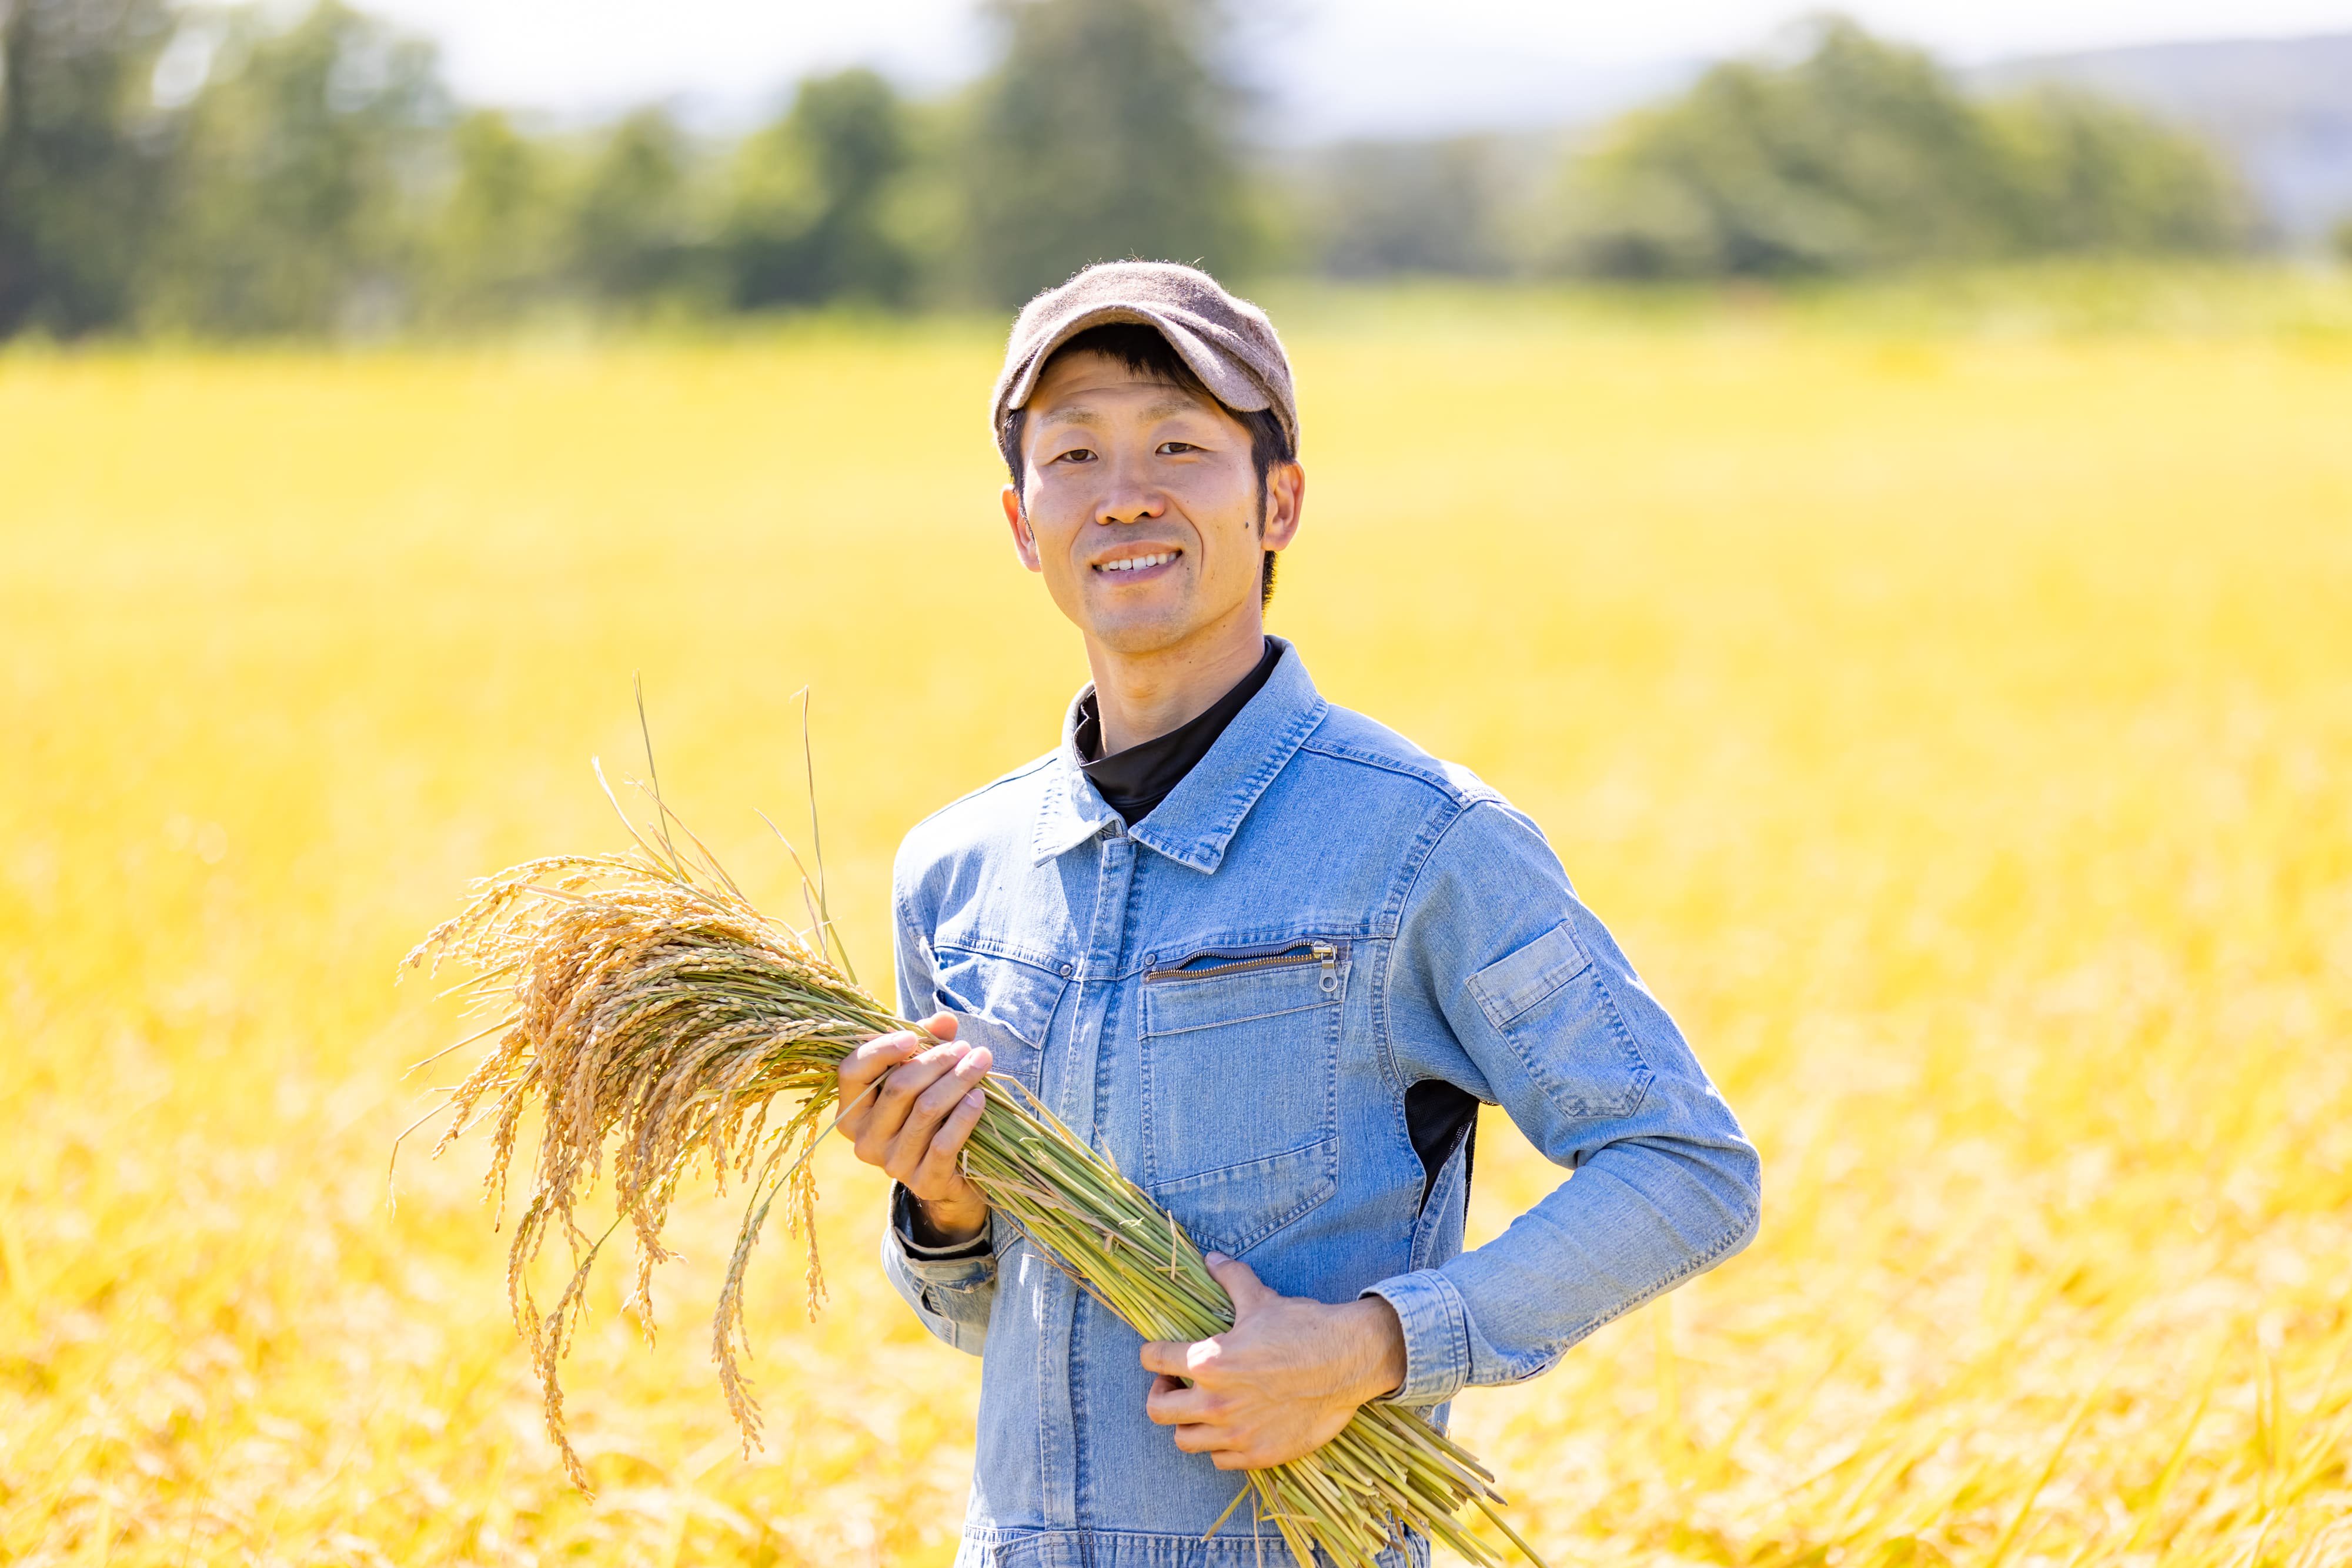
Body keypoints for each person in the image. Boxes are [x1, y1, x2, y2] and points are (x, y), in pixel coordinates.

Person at [833, 261, 1760, 1567]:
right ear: (1020, 520)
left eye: (1178, 445)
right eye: (1075, 453)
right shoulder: (957, 870)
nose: (1124, 492)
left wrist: (1366, 1345)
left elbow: (1685, 1167)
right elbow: (993, 1321)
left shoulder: (1421, 840)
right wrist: (940, 1207)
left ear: (1279, 500)